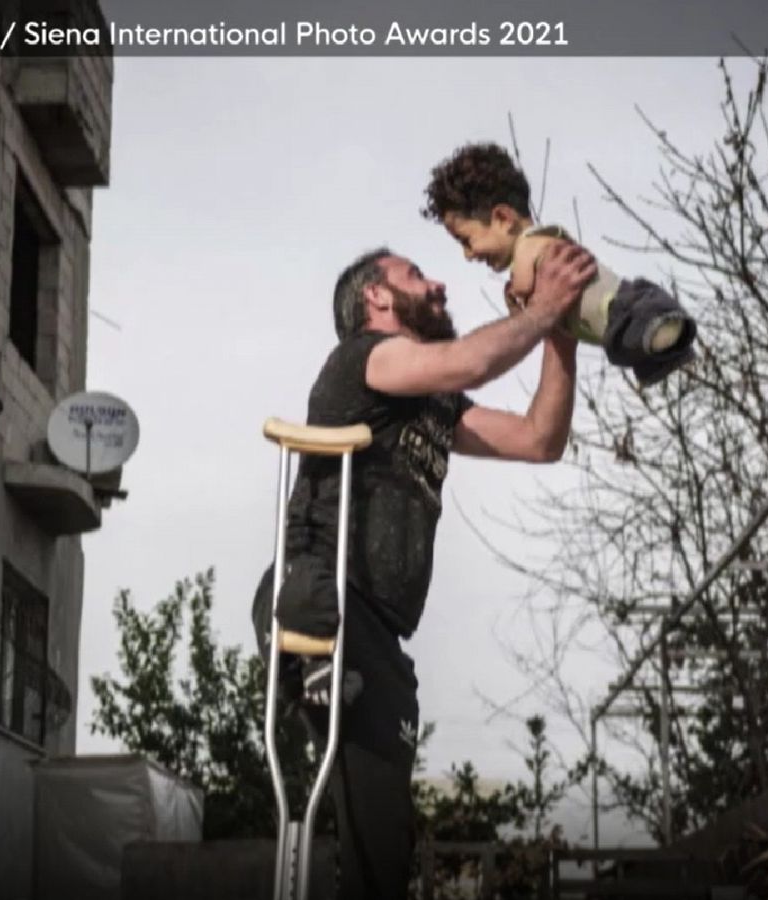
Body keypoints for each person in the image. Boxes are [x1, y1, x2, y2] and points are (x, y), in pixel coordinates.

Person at [251, 242, 596, 900]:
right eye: (415, 275)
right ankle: (312, 662)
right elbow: (470, 360)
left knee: (383, 848)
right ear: (376, 298)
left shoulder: (437, 404)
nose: (437, 282)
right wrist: (544, 303)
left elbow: (538, 439)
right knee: (314, 612)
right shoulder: (363, 360)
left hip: (381, 640)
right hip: (323, 590)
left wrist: (561, 336)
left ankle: (334, 683)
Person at [421, 141, 698, 387]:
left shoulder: (530, 246)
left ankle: (664, 331)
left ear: (503, 219)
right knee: (634, 345)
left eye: (466, 240)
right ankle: (667, 346)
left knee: (638, 324)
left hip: (621, 309)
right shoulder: (546, 243)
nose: (468, 255)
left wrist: (516, 308)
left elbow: (525, 296)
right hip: (617, 324)